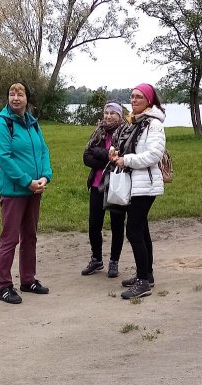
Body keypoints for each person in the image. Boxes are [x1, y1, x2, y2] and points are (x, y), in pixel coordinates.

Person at [0, 82, 53, 304]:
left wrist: (45, 175)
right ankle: (4, 286)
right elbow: (4, 159)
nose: (15, 98)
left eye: (20, 94)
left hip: (35, 189)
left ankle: (28, 280)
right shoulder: (2, 124)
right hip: (15, 191)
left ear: (27, 98)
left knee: (30, 236)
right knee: (10, 239)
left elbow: (43, 150)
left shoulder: (33, 123)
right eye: (11, 94)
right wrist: (28, 182)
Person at [110, 83, 166, 300]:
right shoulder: (134, 123)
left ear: (149, 101)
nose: (133, 100)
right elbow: (127, 147)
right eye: (132, 97)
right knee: (141, 230)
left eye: (139, 97)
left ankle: (143, 282)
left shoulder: (153, 125)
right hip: (134, 183)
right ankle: (147, 275)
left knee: (133, 231)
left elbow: (154, 155)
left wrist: (127, 160)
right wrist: (115, 154)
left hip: (146, 184)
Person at [81, 102, 128, 278]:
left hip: (116, 186)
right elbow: (86, 157)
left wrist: (100, 153)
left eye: (112, 113)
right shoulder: (98, 132)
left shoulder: (125, 133)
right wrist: (108, 156)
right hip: (97, 185)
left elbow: (122, 156)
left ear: (120, 115)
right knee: (94, 225)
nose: (108, 116)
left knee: (117, 225)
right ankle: (96, 259)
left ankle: (114, 261)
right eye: (106, 113)